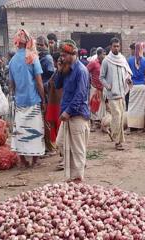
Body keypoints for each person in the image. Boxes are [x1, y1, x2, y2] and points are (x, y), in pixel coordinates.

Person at [54, 40, 90, 182]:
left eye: (64, 55)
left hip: (77, 115)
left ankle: (78, 179)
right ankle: (72, 176)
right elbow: (57, 85)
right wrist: (59, 69)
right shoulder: (66, 68)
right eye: (61, 55)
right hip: (68, 115)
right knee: (60, 143)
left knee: (78, 150)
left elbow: (80, 95)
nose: (62, 57)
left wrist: (68, 111)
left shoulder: (81, 71)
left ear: (73, 54)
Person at [9, 29, 46, 167]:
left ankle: (23, 160)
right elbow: (39, 82)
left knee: (21, 130)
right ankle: (35, 160)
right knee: (35, 130)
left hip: (20, 101)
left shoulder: (12, 61)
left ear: (17, 43)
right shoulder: (32, 57)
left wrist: (16, 95)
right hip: (33, 100)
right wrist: (43, 99)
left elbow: (11, 84)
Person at [100, 37, 132, 150]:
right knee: (117, 116)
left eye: (118, 46)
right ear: (111, 47)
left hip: (122, 93)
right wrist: (108, 86)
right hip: (112, 94)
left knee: (120, 116)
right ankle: (117, 142)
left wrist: (128, 79)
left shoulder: (122, 59)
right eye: (114, 46)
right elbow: (101, 77)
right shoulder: (106, 61)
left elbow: (127, 72)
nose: (116, 48)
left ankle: (115, 135)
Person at [127, 42, 145, 131]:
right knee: (140, 108)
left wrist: (128, 82)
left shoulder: (130, 60)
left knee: (131, 107)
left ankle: (130, 127)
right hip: (142, 86)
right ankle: (139, 128)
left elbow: (126, 72)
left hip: (133, 87)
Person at [36, 35, 56, 156]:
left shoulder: (47, 59)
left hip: (46, 94)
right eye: (37, 44)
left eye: (41, 45)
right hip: (42, 92)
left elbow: (52, 77)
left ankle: (51, 148)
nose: (39, 47)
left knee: (47, 121)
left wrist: (42, 85)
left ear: (46, 46)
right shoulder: (40, 58)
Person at [87, 47, 106, 131]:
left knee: (102, 106)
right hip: (94, 88)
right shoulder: (93, 63)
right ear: (98, 55)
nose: (104, 56)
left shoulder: (105, 64)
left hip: (103, 89)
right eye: (103, 54)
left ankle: (100, 123)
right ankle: (93, 124)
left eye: (105, 54)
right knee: (94, 105)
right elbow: (85, 71)